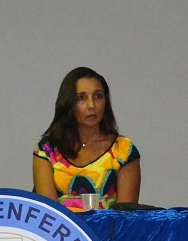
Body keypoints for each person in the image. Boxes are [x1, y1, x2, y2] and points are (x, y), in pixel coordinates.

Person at [33, 67, 141, 211]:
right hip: (59, 232)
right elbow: (49, 214)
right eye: (81, 98)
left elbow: (126, 218)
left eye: (98, 96)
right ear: (68, 103)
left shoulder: (124, 150)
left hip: (109, 232)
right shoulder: (46, 149)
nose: (91, 105)